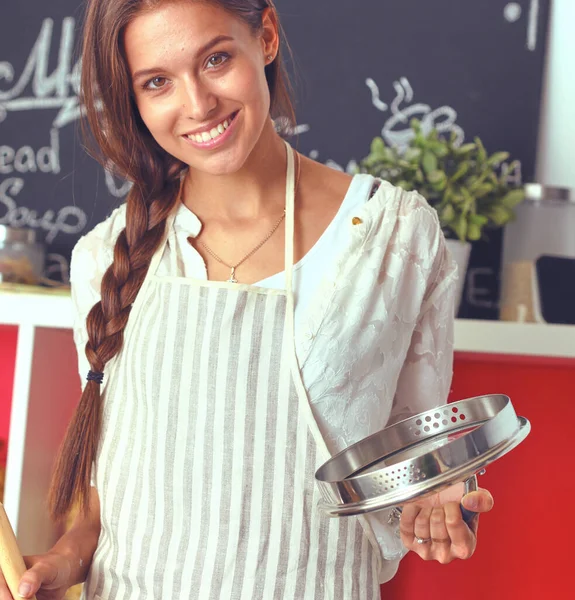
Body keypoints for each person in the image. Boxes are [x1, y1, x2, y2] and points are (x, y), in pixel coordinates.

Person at [2, 1, 494, 599]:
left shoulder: (394, 237)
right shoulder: (105, 257)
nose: (198, 104)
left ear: (264, 36)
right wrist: (62, 558)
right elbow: (111, 504)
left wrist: (439, 499)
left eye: (215, 59)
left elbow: (413, 460)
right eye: (156, 82)